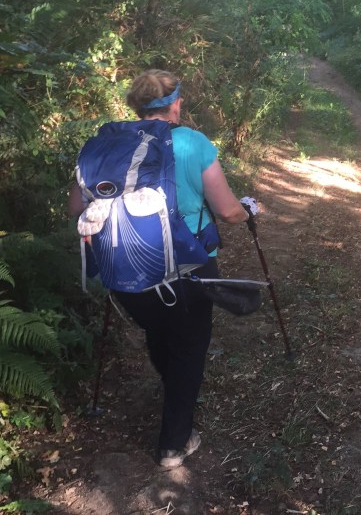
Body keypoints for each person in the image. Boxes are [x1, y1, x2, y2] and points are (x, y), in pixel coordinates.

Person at [69, 69, 255, 469]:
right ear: (176, 103)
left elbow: (74, 208)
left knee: (158, 331)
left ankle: (176, 392)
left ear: (136, 105)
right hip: (188, 267)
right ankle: (174, 443)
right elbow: (227, 211)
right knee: (189, 347)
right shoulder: (192, 142)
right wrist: (249, 210)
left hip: (126, 268)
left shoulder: (108, 144)